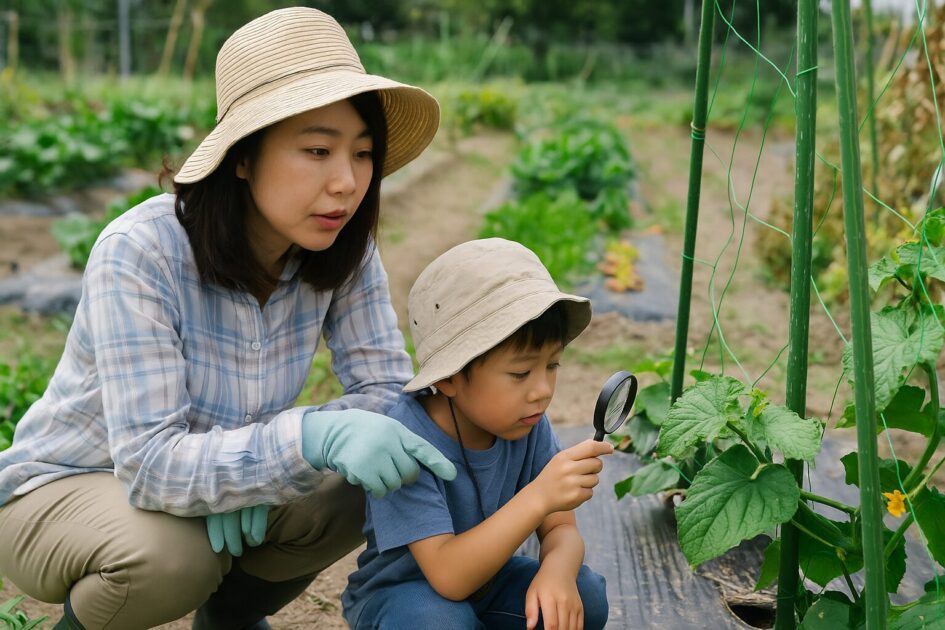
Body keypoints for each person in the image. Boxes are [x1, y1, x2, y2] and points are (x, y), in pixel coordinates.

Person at [0, 7, 457, 629]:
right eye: (317, 150)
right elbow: (151, 463)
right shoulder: (143, 249)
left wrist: (276, 462)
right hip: (68, 484)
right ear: (242, 158)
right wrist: (306, 440)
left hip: (190, 475)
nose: (347, 182)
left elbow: (384, 394)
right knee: (172, 556)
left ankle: (230, 620)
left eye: (363, 153)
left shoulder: (345, 249)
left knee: (366, 483)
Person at [342, 238, 613, 630]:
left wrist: (556, 570)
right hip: (404, 597)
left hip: (486, 587)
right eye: (520, 373)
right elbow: (448, 576)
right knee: (441, 622)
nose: (542, 390)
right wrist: (539, 496)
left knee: (584, 594)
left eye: (552, 365)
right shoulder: (404, 442)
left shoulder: (528, 421)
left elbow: (561, 529)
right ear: (450, 377)